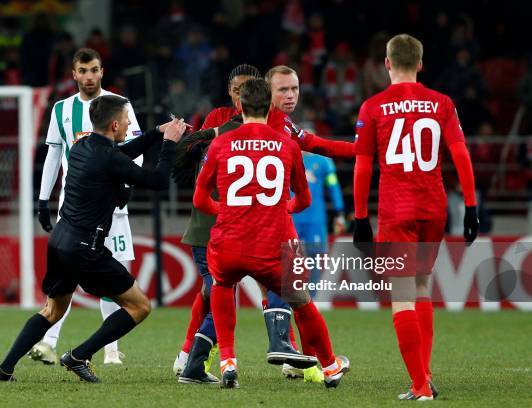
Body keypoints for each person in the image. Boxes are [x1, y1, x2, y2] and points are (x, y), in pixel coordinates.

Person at [173, 64, 355, 384]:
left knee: (217, 290)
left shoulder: (224, 136)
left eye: (294, 89)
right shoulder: (284, 141)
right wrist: (282, 207)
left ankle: (229, 360)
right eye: (283, 90)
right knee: (298, 298)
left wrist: (225, 208)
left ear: (242, 104)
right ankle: (324, 364)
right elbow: (305, 198)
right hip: (270, 237)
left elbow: (199, 194)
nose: (290, 96)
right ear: (267, 98)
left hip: (228, 237)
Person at [0, 95, 186, 383]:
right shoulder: (110, 159)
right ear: (115, 123)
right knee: (140, 306)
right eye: (127, 119)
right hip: (85, 249)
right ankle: (79, 356)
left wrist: (156, 132)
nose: (130, 123)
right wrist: (169, 144)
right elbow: (156, 182)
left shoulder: (82, 145)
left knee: (52, 310)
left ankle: (3, 369)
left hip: (59, 240)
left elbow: (125, 151)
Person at [352, 34, 478, 400]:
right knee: (422, 286)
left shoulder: (373, 106)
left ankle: (420, 385)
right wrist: (470, 206)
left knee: (402, 294)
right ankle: (425, 373)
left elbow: (363, 167)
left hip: (396, 208)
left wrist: (361, 217)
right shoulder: (442, 103)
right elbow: (462, 155)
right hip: (433, 206)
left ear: (387, 64)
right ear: (420, 64)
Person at [33, 48, 140, 365]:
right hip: (75, 211)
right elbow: (54, 155)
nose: (89, 76)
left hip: (113, 211)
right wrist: (42, 199)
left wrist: (128, 185)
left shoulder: (120, 106)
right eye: (83, 70)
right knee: (65, 277)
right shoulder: (61, 109)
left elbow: (136, 147)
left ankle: (110, 349)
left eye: (94, 69)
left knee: (115, 276)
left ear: (102, 72)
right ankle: (48, 341)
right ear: (74, 74)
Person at [292, 152, 345, 299]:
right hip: (291, 217)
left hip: (315, 218)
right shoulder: (287, 156)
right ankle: (290, 298)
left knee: (313, 259)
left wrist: (339, 212)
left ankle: (311, 298)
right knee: (289, 259)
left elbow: (333, 185)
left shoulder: (323, 162)